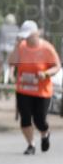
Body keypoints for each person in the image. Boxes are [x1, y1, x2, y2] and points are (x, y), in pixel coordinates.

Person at [8, 20, 61, 155]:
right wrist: (16, 45)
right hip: (23, 89)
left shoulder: (46, 48)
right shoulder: (21, 46)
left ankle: (45, 133)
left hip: (42, 91)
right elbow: (12, 62)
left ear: (36, 34)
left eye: (28, 36)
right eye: (24, 36)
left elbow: (57, 66)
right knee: (25, 118)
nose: (26, 39)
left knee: (39, 120)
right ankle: (31, 144)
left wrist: (45, 74)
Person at [0, 13, 20, 91]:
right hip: (11, 49)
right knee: (11, 65)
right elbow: (17, 41)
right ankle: (11, 76)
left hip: (1, 48)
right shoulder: (16, 28)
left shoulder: (1, 27)